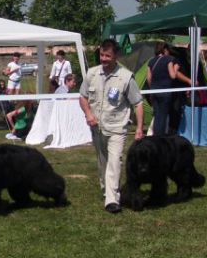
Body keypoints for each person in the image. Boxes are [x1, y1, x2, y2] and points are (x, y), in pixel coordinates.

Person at [79, 39, 144, 214]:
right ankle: (106, 190)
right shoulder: (91, 74)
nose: (104, 58)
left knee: (115, 161)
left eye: (108, 55)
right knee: (103, 164)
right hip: (97, 127)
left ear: (116, 56)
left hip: (117, 127)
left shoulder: (126, 77)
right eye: (102, 54)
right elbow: (83, 97)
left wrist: (139, 128)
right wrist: (88, 114)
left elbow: (137, 103)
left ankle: (112, 200)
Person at [146, 42, 191, 136]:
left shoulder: (151, 61)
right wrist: (176, 67)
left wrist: (152, 88)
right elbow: (173, 75)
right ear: (165, 50)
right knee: (162, 116)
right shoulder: (169, 59)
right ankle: (160, 136)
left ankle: (155, 135)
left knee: (156, 114)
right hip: (165, 92)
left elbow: (148, 78)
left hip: (154, 91)